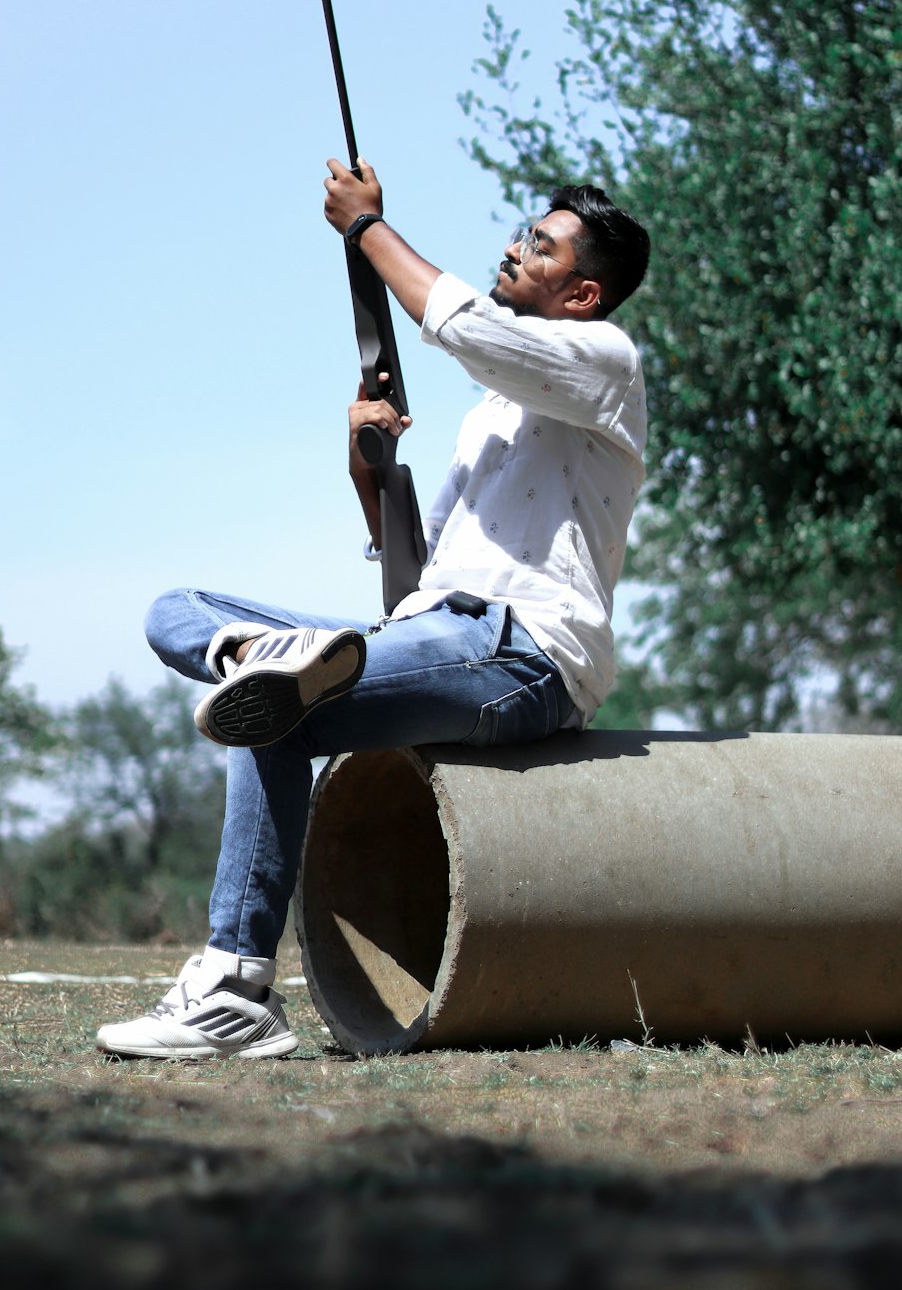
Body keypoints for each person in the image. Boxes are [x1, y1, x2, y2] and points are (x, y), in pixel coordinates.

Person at [95, 159, 650, 1060]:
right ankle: (252, 655)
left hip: (525, 656)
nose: (513, 248)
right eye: (521, 233)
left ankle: (234, 988)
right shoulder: (491, 418)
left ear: (584, 295)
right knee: (177, 609)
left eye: (537, 246)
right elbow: (411, 587)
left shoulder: (606, 364)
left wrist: (365, 229)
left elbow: (458, 324)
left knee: (276, 709)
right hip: (441, 632)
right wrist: (373, 483)